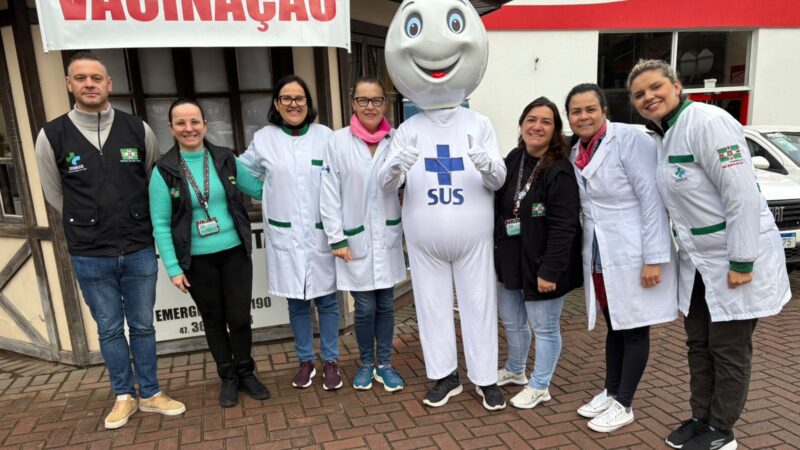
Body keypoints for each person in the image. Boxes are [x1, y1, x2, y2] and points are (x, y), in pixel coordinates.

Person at [627, 59, 791, 450]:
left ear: (677, 85)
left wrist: (742, 261)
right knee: (698, 342)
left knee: (728, 347)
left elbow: (741, 194)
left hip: (732, 258)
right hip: (699, 263)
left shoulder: (706, 122)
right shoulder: (663, 135)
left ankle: (722, 427)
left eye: (656, 87)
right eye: (639, 94)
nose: (649, 97)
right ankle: (700, 416)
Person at [34, 51, 185, 429]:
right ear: (70, 84)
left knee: (144, 326)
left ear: (109, 85)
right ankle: (123, 396)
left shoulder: (138, 129)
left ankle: (150, 393)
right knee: (109, 329)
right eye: (81, 78)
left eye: (96, 78)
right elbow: (55, 193)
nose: (89, 84)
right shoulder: (51, 135)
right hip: (90, 252)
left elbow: (152, 183)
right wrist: (87, 219)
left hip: (137, 247)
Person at [381, 0, 508, 410]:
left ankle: (486, 378)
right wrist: (396, 166)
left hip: (473, 239)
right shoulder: (408, 128)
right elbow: (383, 183)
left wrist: (487, 163)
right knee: (431, 309)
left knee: (479, 306)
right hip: (424, 240)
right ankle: (443, 376)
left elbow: (498, 178)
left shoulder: (479, 123)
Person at [566, 83, 678, 433]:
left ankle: (624, 403)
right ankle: (611, 390)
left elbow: (652, 200)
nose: (583, 116)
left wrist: (653, 258)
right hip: (602, 252)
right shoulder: (577, 151)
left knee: (633, 328)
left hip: (634, 249)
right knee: (614, 325)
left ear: (604, 111)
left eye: (590, 109)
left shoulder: (631, 140)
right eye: (575, 111)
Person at [149, 99, 267, 407]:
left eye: (195, 122)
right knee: (214, 321)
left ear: (205, 124)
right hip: (197, 261)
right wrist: (174, 269)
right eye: (181, 123)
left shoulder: (224, 158)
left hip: (235, 254)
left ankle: (245, 372)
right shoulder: (164, 171)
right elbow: (161, 225)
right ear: (171, 128)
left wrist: (294, 184)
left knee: (240, 318)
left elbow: (258, 189)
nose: (189, 129)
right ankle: (227, 377)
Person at [238, 75, 342, 390]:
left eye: (299, 98)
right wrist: (264, 191)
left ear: (308, 104)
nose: (293, 104)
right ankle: (305, 361)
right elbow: (239, 171)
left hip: (321, 234)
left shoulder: (326, 137)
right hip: (286, 234)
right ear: (277, 104)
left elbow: (340, 177)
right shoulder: (265, 139)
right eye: (287, 98)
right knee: (296, 302)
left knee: (327, 301)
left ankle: (332, 361)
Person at [493, 97, 582, 409]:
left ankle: (540, 384)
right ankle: (516, 369)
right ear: (522, 124)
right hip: (511, 262)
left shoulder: (560, 171)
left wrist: (550, 271)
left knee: (544, 329)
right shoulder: (514, 158)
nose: (537, 126)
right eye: (531, 119)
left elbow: (565, 228)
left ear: (555, 129)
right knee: (512, 321)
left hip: (544, 266)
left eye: (546, 121)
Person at [320, 78, 407, 392]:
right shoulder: (338, 141)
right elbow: (328, 193)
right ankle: (366, 363)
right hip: (354, 239)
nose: (370, 106)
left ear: (384, 104)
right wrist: (336, 237)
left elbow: (407, 184)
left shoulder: (397, 139)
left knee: (385, 304)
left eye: (376, 100)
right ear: (353, 103)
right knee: (366, 306)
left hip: (386, 236)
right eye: (363, 100)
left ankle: (385, 365)